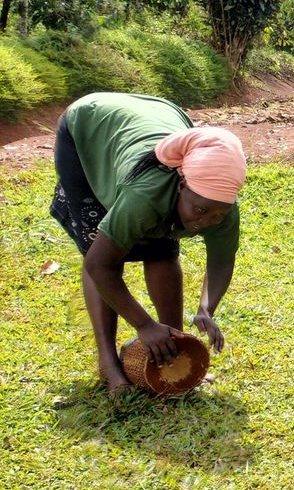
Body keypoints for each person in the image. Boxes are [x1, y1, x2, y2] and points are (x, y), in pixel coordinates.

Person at [49, 92, 245, 393]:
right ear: (181, 186)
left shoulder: (222, 207)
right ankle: (108, 364)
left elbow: (221, 261)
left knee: (162, 251)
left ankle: (175, 349)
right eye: (200, 210)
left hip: (161, 113)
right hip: (90, 126)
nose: (205, 221)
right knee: (99, 247)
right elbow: (99, 265)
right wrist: (145, 326)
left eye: (217, 215)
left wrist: (206, 309)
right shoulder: (145, 194)